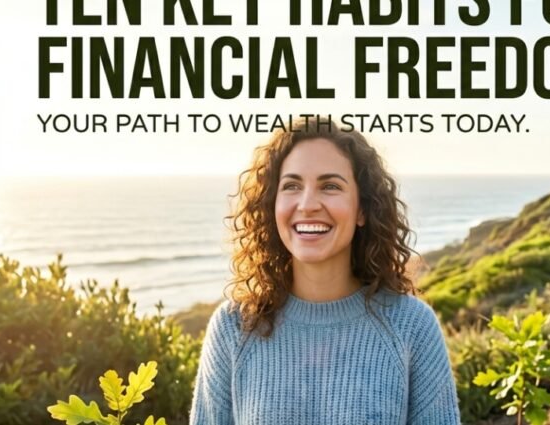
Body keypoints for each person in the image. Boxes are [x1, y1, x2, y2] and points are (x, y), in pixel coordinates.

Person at [190, 118, 460, 424]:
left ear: (362, 209)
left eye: (330, 186)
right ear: (271, 204)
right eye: (291, 186)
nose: (307, 204)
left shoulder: (411, 327)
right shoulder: (234, 328)